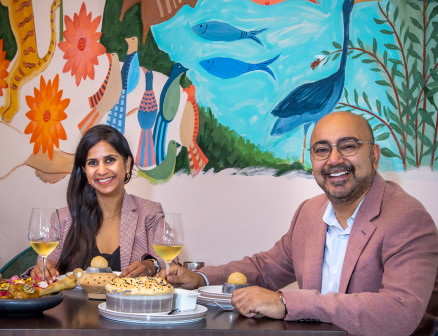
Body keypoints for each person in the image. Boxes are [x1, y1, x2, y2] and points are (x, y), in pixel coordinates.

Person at [162, 112, 438, 336]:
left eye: (349, 146)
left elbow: (400, 313)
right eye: (321, 150)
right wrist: (202, 278)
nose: (334, 159)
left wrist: (285, 302)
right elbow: (265, 269)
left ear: (375, 156)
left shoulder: (407, 218)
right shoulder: (309, 212)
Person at [30, 125, 165, 282]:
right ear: (84, 170)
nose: (101, 171)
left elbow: (170, 263)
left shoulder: (150, 213)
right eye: (93, 163)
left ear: (127, 164)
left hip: (129, 305)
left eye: (110, 160)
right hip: (73, 307)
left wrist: (152, 265)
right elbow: (43, 269)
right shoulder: (62, 219)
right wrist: (41, 271)